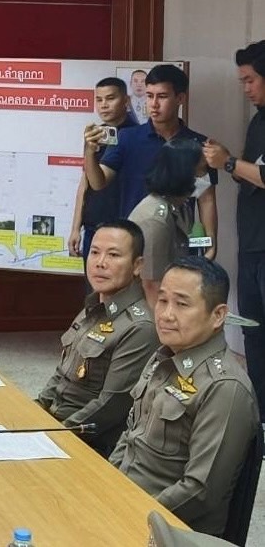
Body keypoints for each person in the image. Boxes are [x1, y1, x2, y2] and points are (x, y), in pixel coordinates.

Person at [110, 257, 259, 536]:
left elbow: (199, 492)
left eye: (181, 304)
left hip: (167, 529)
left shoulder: (225, 387)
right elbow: (130, 438)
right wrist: (105, 484)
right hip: (123, 501)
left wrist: (129, 512)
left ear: (218, 315)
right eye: (162, 300)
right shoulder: (163, 358)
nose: (166, 314)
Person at [37, 220, 159, 456]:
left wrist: (53, 437)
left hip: (87, 444)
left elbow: (110, 407)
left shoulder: (140, 327)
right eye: (94, 252)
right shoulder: (93, 307)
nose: (100, 262)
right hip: (56, 425)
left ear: (137, 265)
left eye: (113, 255)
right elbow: (61, 375)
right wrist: (34, 412)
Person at [82, 64, 218, 260]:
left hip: (179, 241)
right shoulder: (127, 138)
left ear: (180, 98)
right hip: (133, 242)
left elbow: (206, 199)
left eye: (162, 96)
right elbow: (98, 183)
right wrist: (89, 152)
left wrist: (210, 245)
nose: (153, 104)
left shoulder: (198, 144)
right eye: (149, 95)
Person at [202, 40, 265, 423]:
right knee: (254, 333)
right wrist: (231, 162)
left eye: (250, 80)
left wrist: (227, 163)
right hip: (252, 244)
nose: (246, 88)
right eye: (242, 81)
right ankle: (258, 418)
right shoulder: (258, 121)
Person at [129, 139, 207, 306]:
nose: (205, 178)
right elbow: (151, 284)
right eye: (201, 171)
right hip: (147, 309)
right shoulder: (155, 219)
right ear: (184, 173)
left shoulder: (179, 206)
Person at [69, 77, 137, 265]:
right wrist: (75, 228)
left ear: (126, 101)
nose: (104, 105)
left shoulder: (137, 135)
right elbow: (85, 182)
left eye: (110, 98)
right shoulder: (95, 134)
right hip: (93, 225)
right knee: (93, 281)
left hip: (124, 226)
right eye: (99, 100)